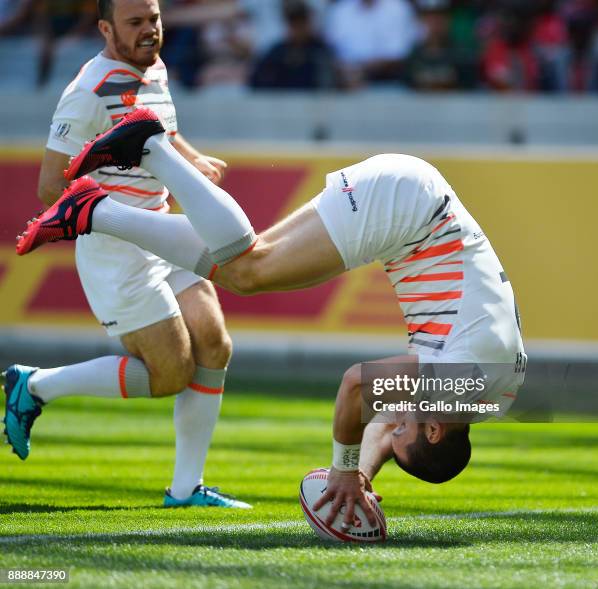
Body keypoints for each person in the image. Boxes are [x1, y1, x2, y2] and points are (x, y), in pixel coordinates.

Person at [12, 107, 526, 529]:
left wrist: (358, 475)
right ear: (435, 430)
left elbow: (392, 418)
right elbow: (356, 389)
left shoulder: (490, 396)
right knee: (251, 272)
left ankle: (94, 210)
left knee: (240, 264)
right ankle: (146, 153)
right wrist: (343, 470)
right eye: (404, 429)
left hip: (413, 202)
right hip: (407, 212)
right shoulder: (459, 382)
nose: (392, 422)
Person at [4, 0, 251, 509]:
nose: (149, 31)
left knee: (215, 344)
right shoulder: (90, 90)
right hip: (118, 253)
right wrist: (121, 216)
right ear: (104, 28)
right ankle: (35, 384)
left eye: (154, 20)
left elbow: (164, 132)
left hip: (164, 233)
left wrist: (193, 158)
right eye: (135, 23)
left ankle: (185, 490)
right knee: (169, 376)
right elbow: (51, 186)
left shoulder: (154, 68)